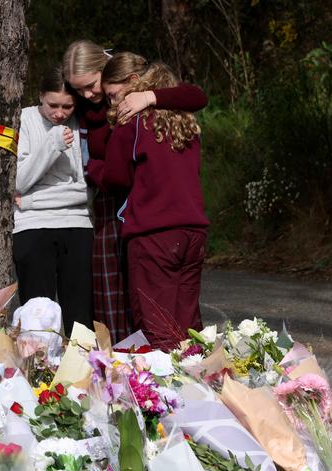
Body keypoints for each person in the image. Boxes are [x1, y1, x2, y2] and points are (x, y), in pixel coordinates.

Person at [62, 40, 208, 344]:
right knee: (188, 325)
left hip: (149, 228)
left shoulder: (129, 117)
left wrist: (91, 167)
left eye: (95, 87)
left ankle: (159, 387)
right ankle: (195, 382)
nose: (90, 96)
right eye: (79, 92)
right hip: (192, 227)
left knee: (156, 326)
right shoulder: (181, 120)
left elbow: (116, 177)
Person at [12, 65, 93, 336]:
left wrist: (34, 200)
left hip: (77, 223)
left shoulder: (82, 123)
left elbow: (85, 189)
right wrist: (52, 144)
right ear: (40, 97)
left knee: (80, 314)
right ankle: (38, 370)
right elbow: (19, 181)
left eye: (67, 107)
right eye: (53, 105)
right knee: (37, 314)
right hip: (32, 227)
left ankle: (83, 370)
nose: (59, 113)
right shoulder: (23, 119)